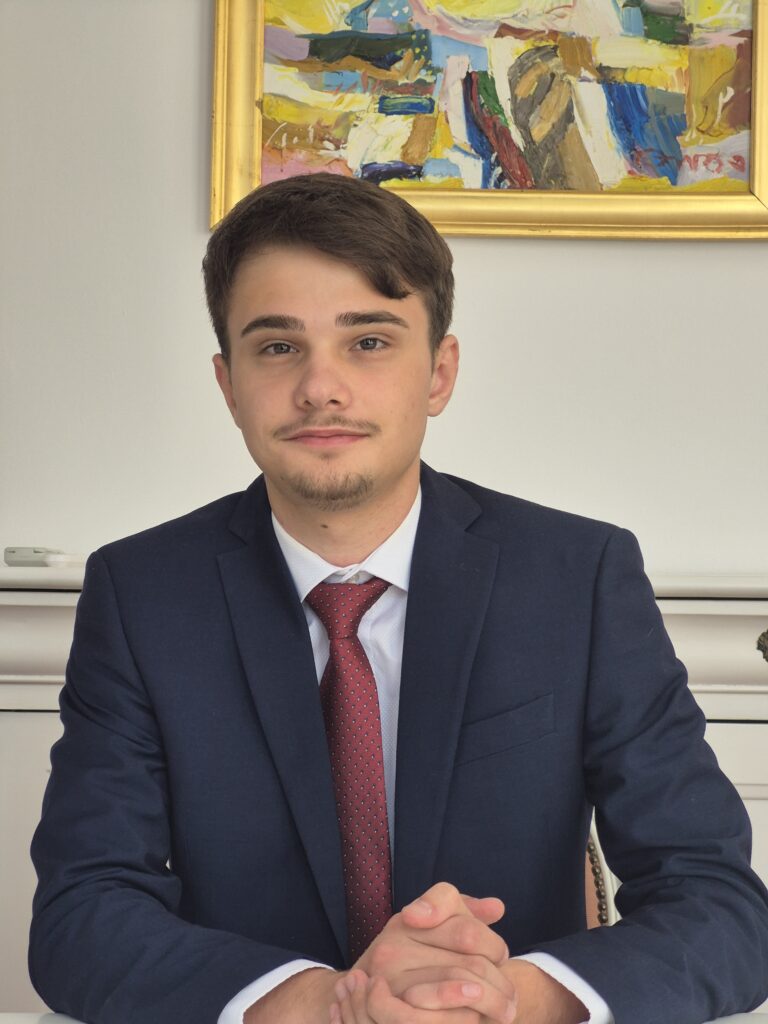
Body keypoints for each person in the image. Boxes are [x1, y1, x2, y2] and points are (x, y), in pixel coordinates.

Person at [29, 173, 768, 1024]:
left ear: (439, 373)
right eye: (278, 347)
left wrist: (506, 995)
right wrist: (330, 1003)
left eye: (369, 341)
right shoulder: (142, 594)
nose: (321, 387)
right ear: (228, 384)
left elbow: (719, 908)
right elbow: (81, 917)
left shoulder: (579, 577)